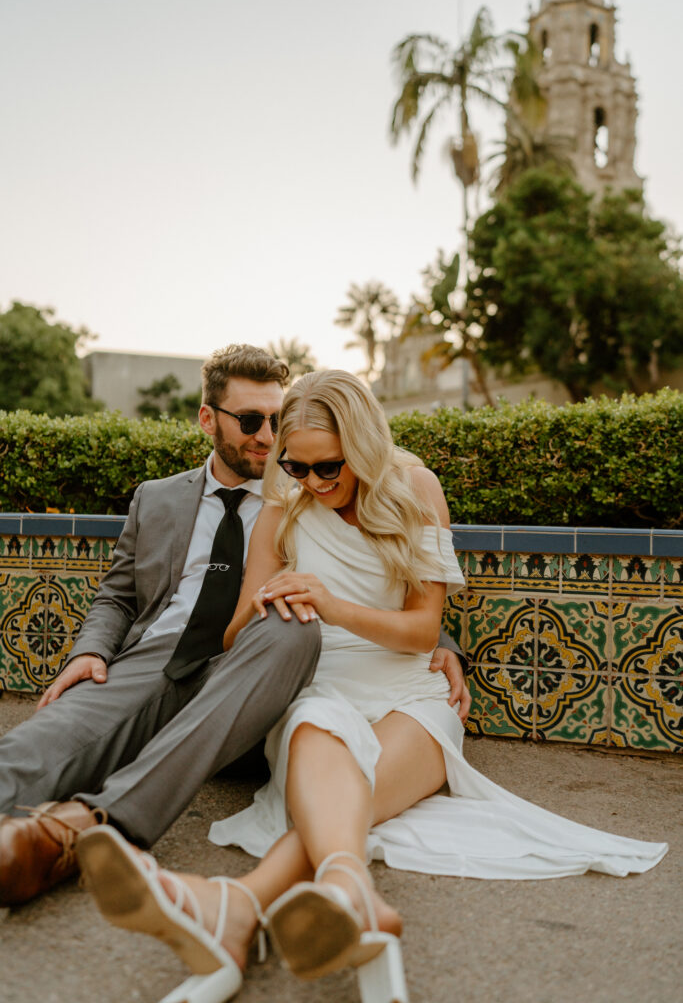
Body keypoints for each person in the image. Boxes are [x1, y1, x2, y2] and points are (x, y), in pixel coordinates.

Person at [77, 370, 667, 1003]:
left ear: (362, 444)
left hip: (409, 694)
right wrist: (268, 606)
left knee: (340, 796)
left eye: (329, 466)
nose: (314, 483)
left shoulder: (415, 487)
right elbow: (233, 633)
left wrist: (331, 604)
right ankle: (339, 895)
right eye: (298, 468)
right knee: (320, 734)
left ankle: (240, 905)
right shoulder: (286, 492)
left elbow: (422, 630)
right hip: (318, 688)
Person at [0, 346, 468, 908]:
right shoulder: (164, 498)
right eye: (251, 422)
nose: (268, 438)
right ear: (209, 419)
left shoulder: (334, 490)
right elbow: (118, 595)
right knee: (32, 749)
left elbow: (396, 592)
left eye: (276, 421)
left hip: (277, 673)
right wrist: (90, 651)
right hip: (162, 658)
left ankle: (100, 824)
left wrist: (442, 647)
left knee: (291, 627)